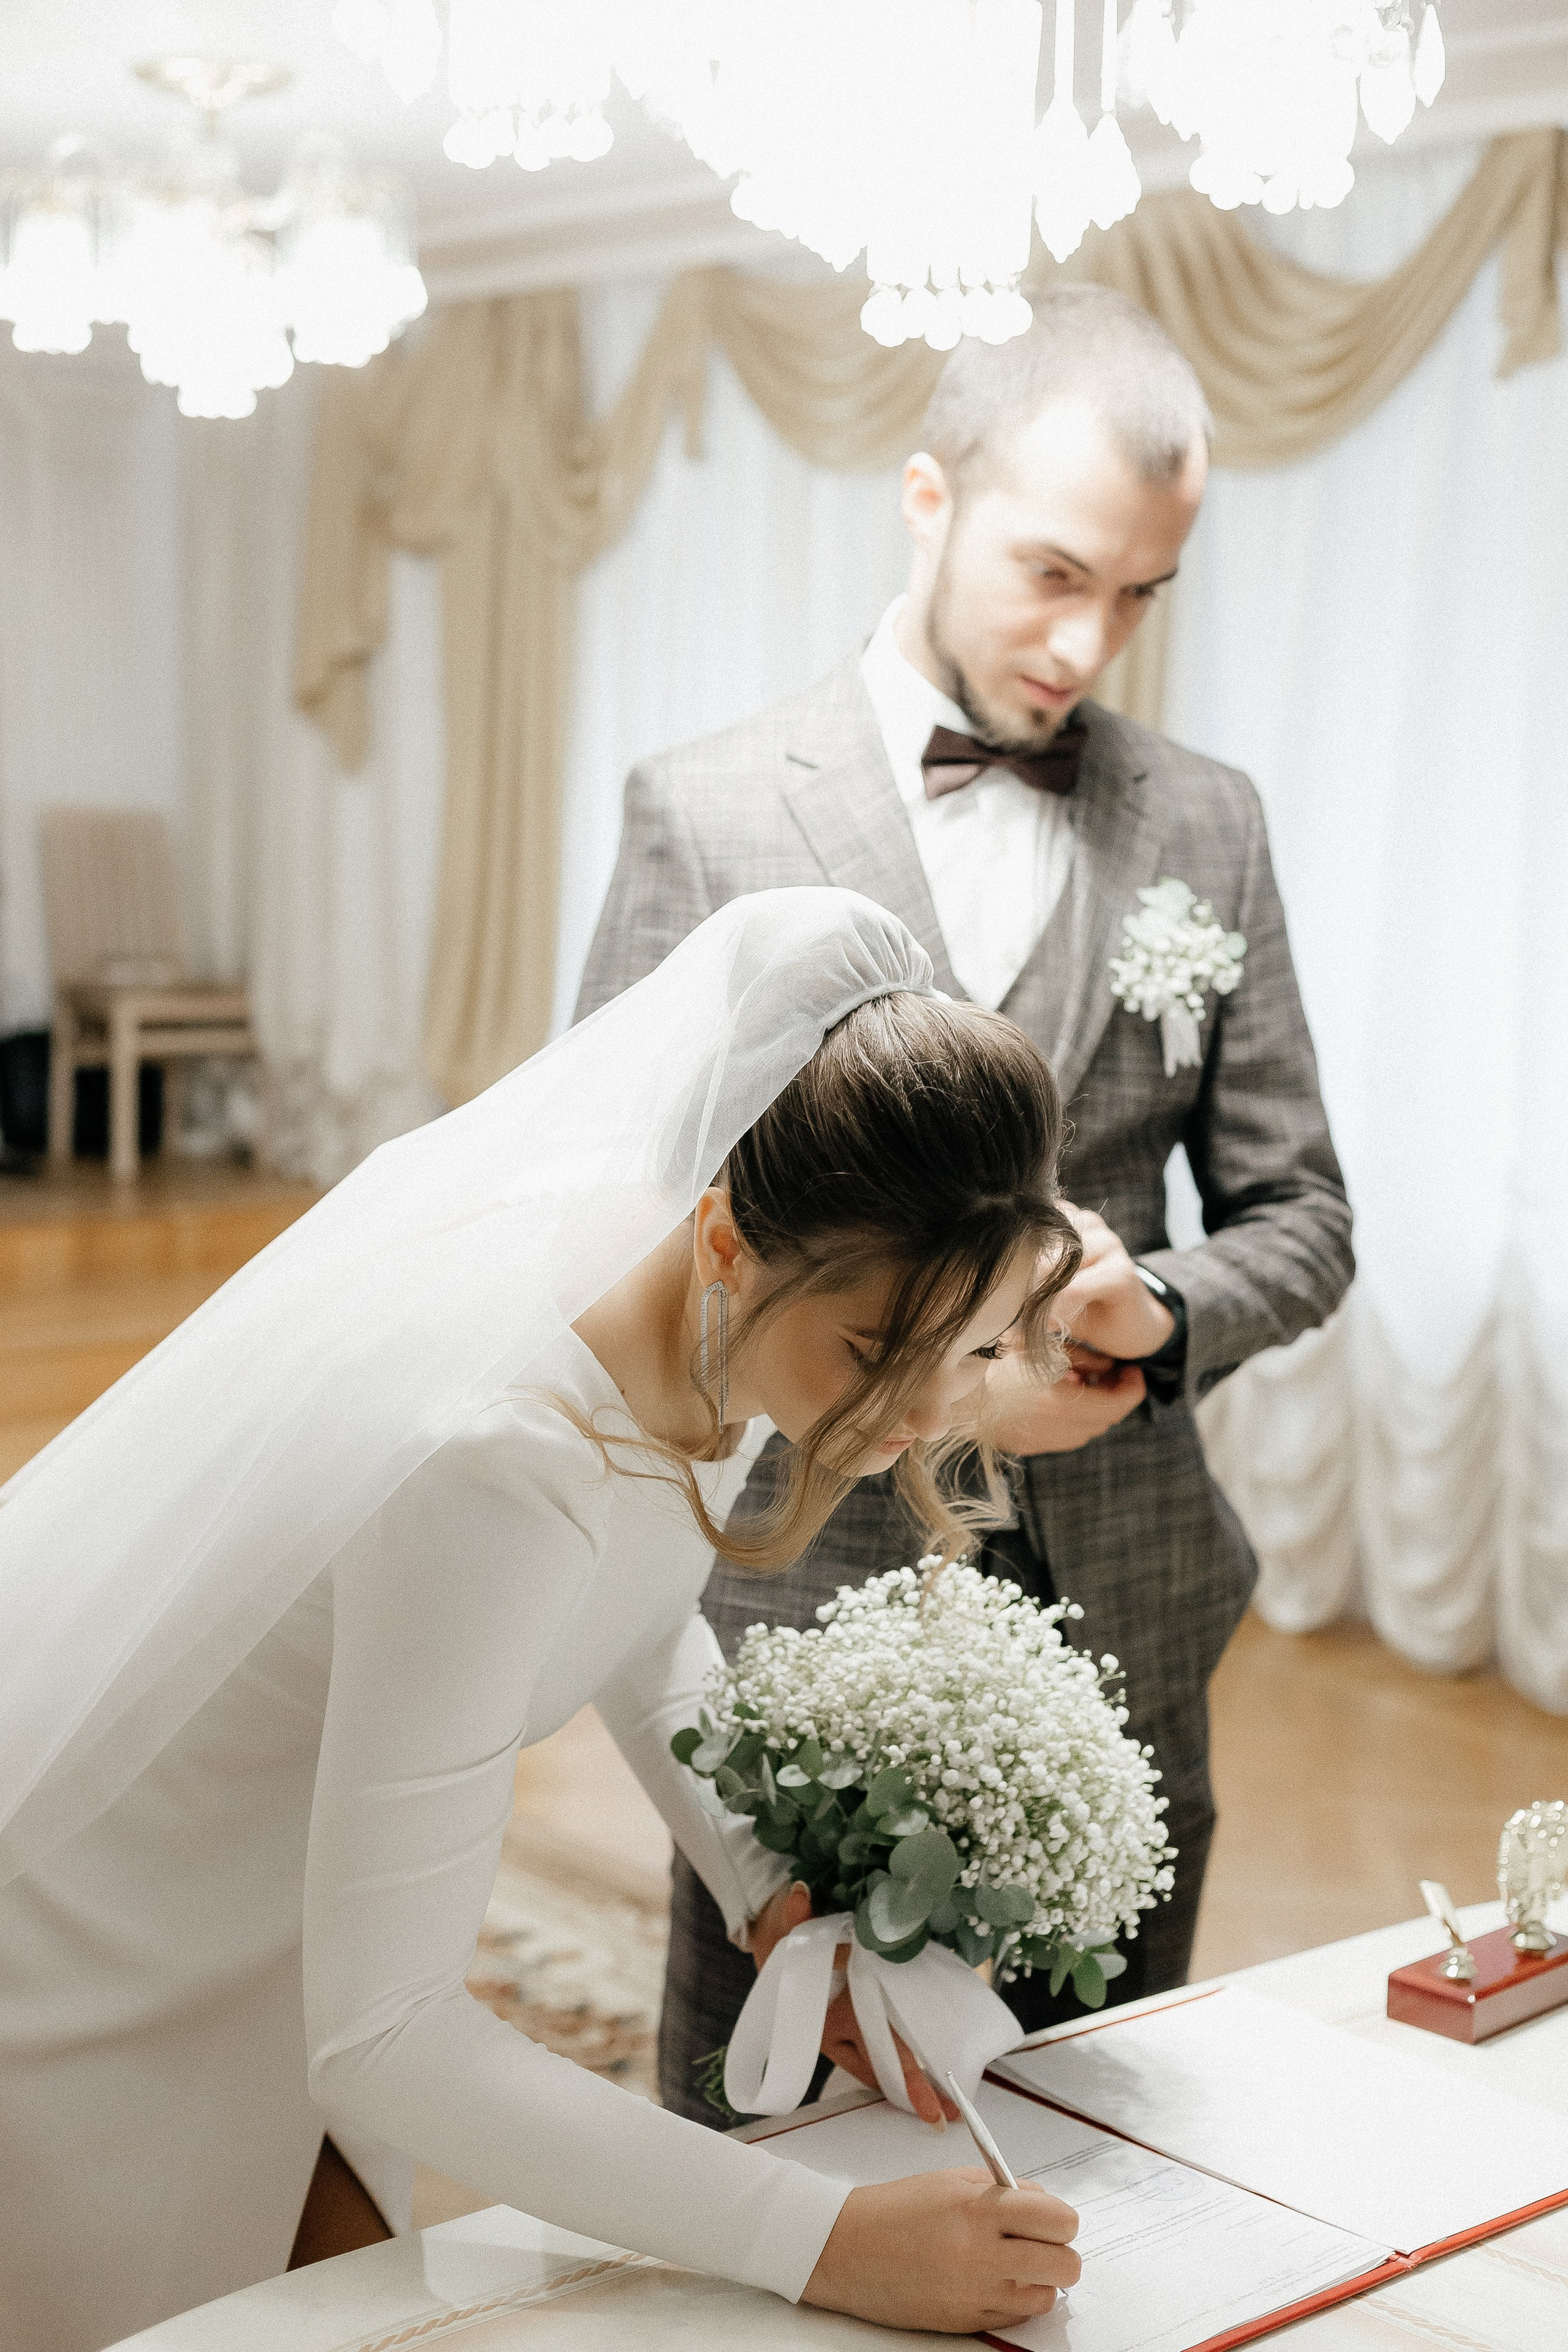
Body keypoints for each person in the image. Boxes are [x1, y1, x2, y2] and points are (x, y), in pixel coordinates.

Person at [0, 889, 1087, 2352]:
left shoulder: (725, 1306)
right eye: (881, 1355)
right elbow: (386, 2036)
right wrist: (820, 2242)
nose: (923, 1411)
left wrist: (761, 1882)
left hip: (295, 1896)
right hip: (125, 1942)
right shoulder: (493, 1458)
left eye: (967, 1348)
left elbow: (631, 1609)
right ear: (727, 1241)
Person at [576, 285, 1355, 2125]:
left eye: (1145, 593)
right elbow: (615, 1230)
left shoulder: (1209, 825)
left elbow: (1304, 1213)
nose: (1092, 641)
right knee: (773, 2125)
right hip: (807, 1608)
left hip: (1131, 1633)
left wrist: (1156, 1313)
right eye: (1054, 572)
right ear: (929, 501)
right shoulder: (704, 814)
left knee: (1103, 2141)